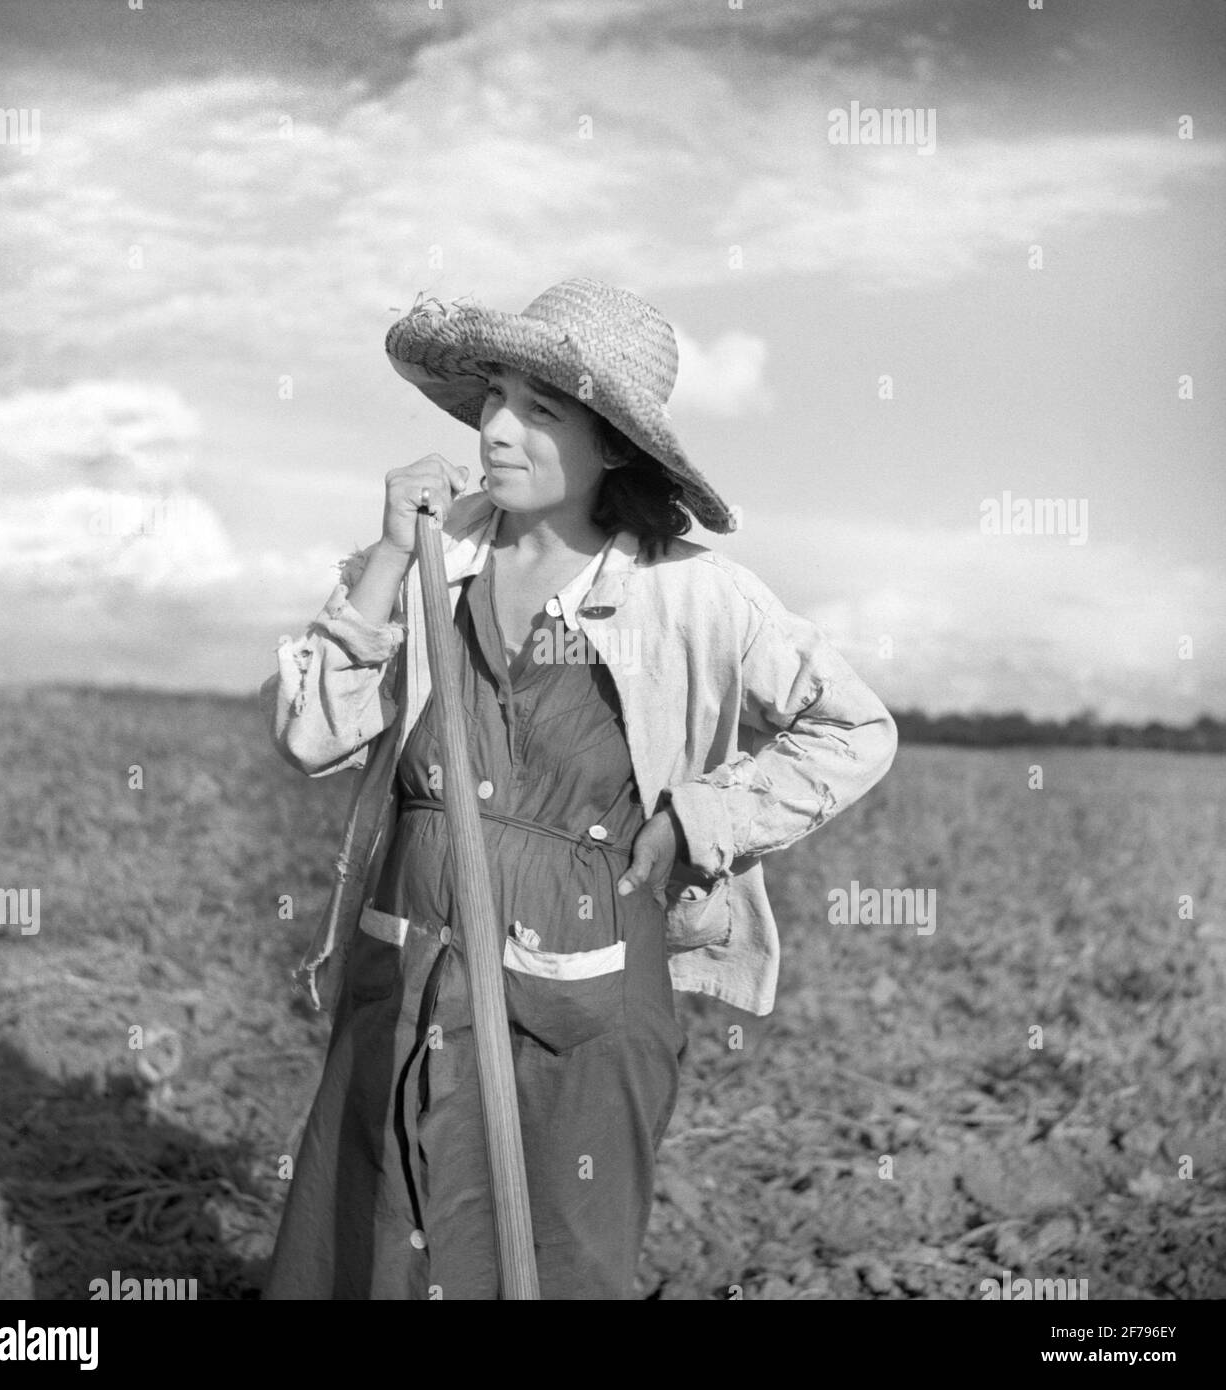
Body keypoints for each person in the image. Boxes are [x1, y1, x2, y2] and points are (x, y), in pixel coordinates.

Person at [260, 277, 897, 1300]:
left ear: (612, 446)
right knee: (371, 1238)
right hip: (409, 966)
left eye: (540, 410)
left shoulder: (689, 595)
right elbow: (312, 733)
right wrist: (385, 556)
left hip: (584, 999)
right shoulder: (432, 555)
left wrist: (707, 815)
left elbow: (855, 727)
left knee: (556, 1254)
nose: (496, 430)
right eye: (496, 395)